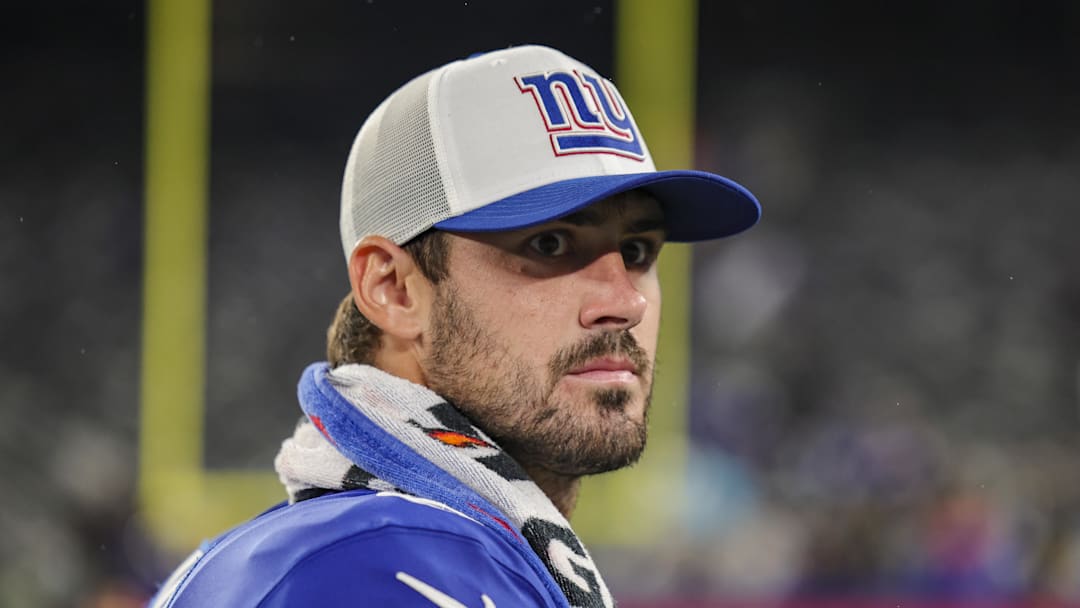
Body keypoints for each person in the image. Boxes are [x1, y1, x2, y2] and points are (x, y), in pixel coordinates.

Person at [150, 44, 760, 607]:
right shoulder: (379, 569)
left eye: (636, 252)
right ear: (392, 288)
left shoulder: (359, 555)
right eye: (551, 243)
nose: (625, 303)